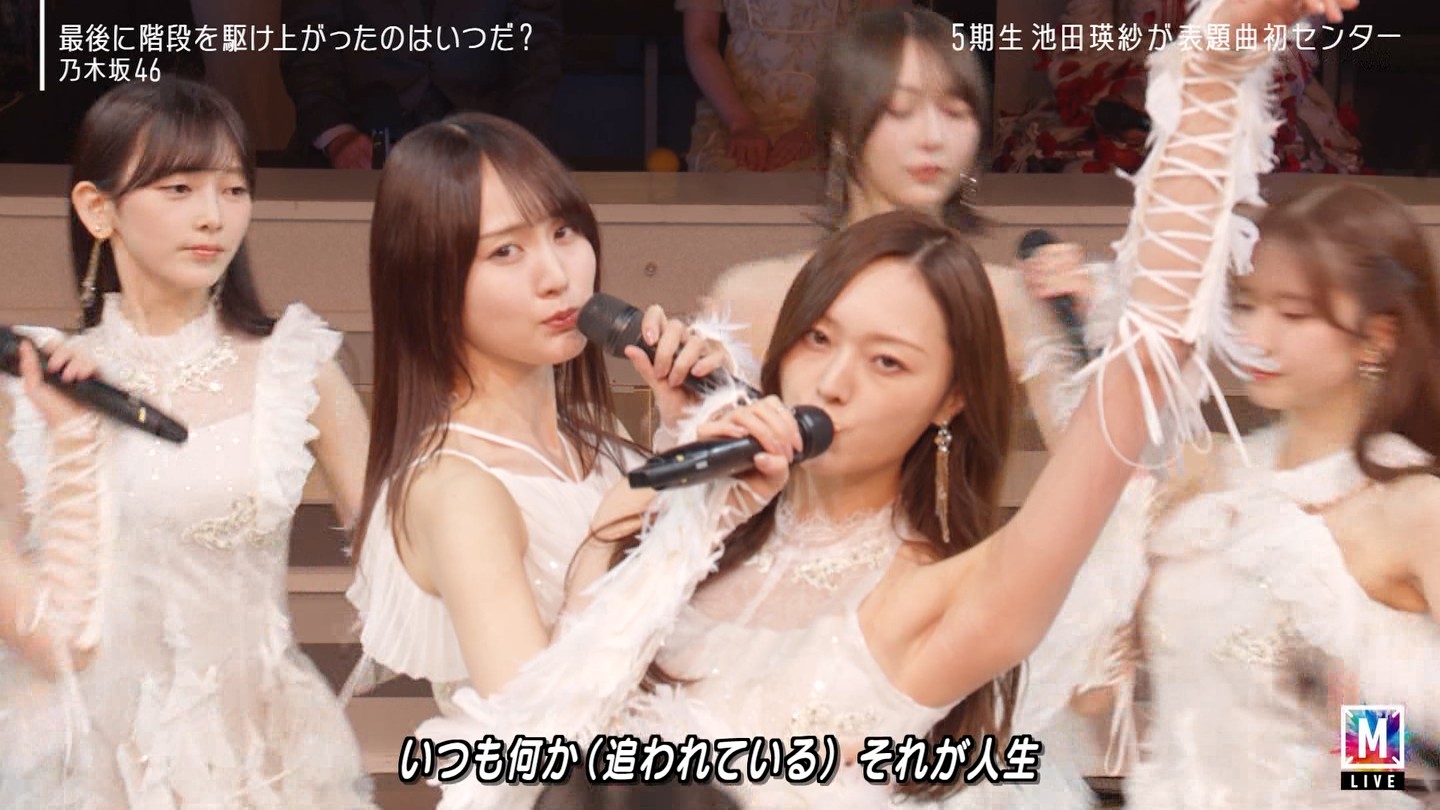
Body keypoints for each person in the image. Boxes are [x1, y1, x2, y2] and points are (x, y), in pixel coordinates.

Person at [416, 2, 1357, 808]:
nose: (832, 382)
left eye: (889, 362)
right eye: (819, 340)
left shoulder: (941, 600)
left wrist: (1212, 70)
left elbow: (1147, 365)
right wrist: (658, 521)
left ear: (950, 399)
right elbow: (547, 742)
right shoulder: (680, 552)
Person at [0, 77, 375, 806]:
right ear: (97, 208)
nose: (213, 216)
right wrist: (73, 442)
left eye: (233, 190)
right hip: (87, 769)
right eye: (178, 189)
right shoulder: (33, 388)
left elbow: (401, 555)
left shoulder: (296, 365)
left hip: (257, 759)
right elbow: (51, 644)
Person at [344, 111, 735, 746]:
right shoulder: (456, 490)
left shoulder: (596, 443)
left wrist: (686, 433)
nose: (557, 276)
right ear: (428, 282)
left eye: (563, 231)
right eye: (506, 251)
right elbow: (535, 743)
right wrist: (606, 537)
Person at [1062, 180, 1440, 810]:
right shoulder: (1211, 476)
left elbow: (1379, 773)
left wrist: (1370, 714)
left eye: (1293, 315)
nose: (1255, 338)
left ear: (1378, 336)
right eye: (1245, 305)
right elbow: (1093, 693)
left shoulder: (1410, 504)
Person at [280, 0, 563, 168]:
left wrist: (514, 141)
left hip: (488, 140)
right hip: (358, 144)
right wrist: (337, 136)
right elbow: (307, 38)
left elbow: (537, 42)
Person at [678, 0, 908, 173]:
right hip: (734, 104)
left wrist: (817, 125)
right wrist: (740, 123)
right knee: (729, 183)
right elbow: (700, 39)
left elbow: (878, 43)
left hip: (838, 104)